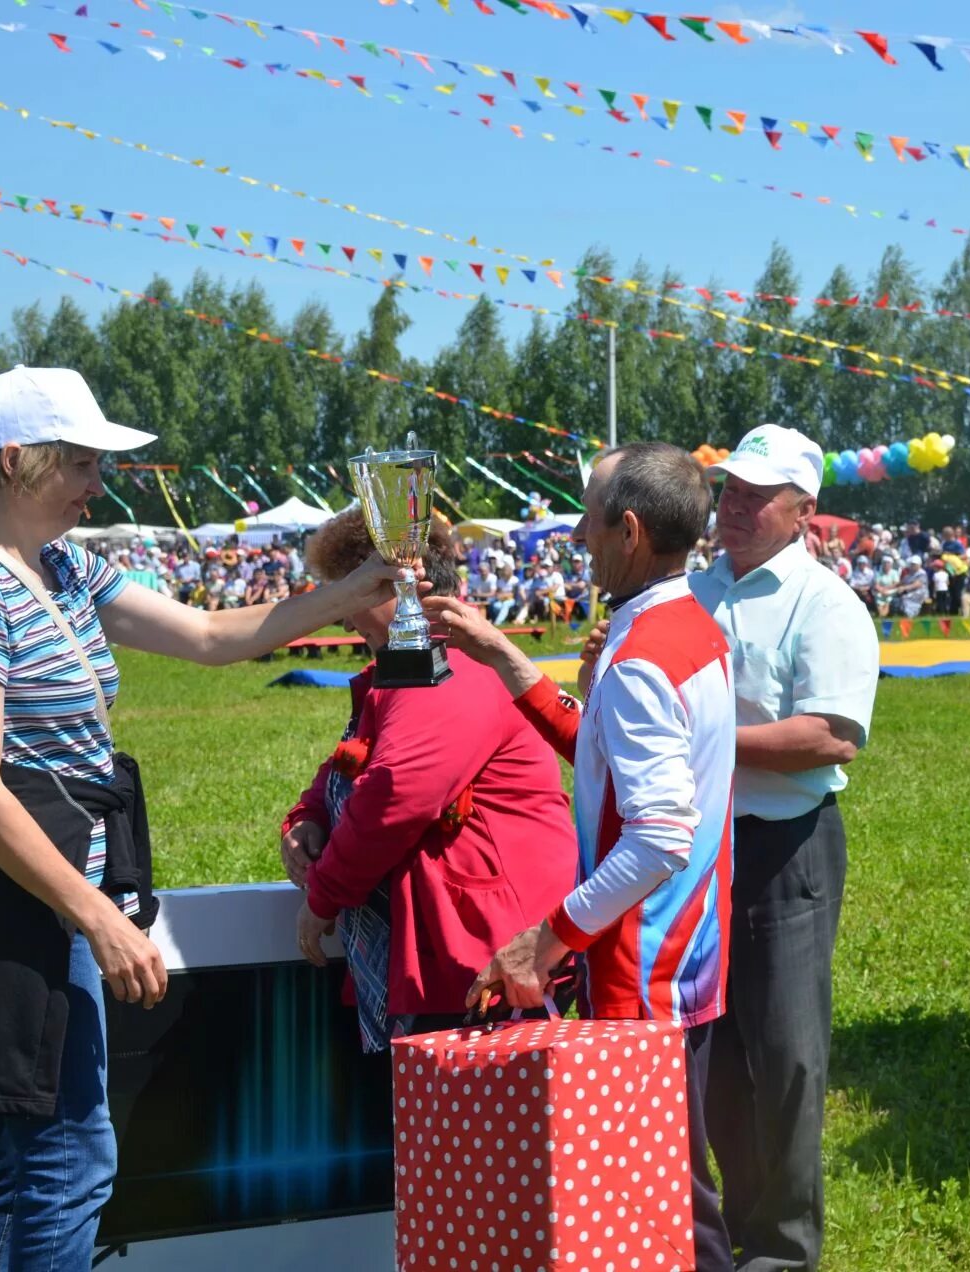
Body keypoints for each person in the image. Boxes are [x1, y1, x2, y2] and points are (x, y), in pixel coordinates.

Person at [0, 366, 407, 1270]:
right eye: (82, 463)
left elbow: (210, 638)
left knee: (26, 1154)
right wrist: (94, 917)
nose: (99, 485)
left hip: (43, 896)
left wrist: (358, 586)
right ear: (15, 461)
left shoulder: (60, 565)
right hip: (7, 900)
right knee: (62, 1155)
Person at [426, 441, 736, 1270]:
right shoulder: (685, 628)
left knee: (661, 1204)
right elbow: (605, 759)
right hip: (686, 955)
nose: (577, 536)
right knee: (673, 1191)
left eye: (588, 518)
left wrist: (551, 936)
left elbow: (660, 835)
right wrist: (509, 659)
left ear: (628, 530)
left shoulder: (637, 661)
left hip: (641, 973)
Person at [280, 508, 577, 1051]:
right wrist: (307, 820)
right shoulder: (396, 674)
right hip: (454, 952)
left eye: (347, 597)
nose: (343, 620)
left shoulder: (448, 666)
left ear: (384, 587)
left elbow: (395, 795)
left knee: (477, 1136)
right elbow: (348, 765)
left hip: (482, 960)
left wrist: (321, 899)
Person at [698, 425, 880, 1271]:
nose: (734, 504)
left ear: (803, 511)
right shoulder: (686, 594)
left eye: (755, 494)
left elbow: (832, 736)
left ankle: (782, 1251)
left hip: (784, 849)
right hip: (697, 851)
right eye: (729, 488)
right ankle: (733, 1234)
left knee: (787, 1057)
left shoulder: (826, 602)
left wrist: (702, 743)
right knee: (715, 1055)